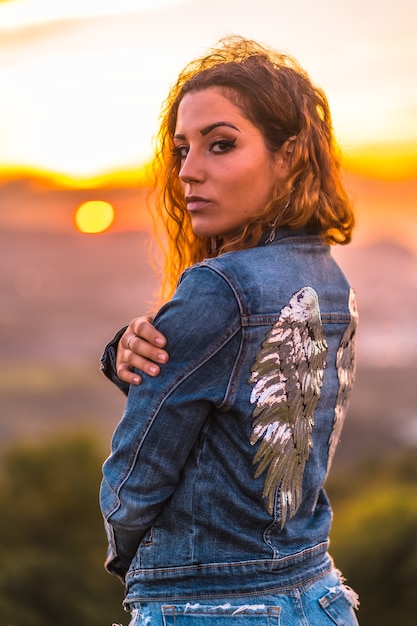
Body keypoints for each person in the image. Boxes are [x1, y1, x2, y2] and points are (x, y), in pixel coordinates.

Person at [100, 35, 360, 625]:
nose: (189, 171)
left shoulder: (221, 285)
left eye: (221, 145)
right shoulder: (330, 278)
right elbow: (240, 407)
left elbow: (139, 465)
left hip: (216, 605)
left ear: (289, 154)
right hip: (317, 595)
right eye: (182, 150)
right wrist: (127, 355)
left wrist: (131, 546)